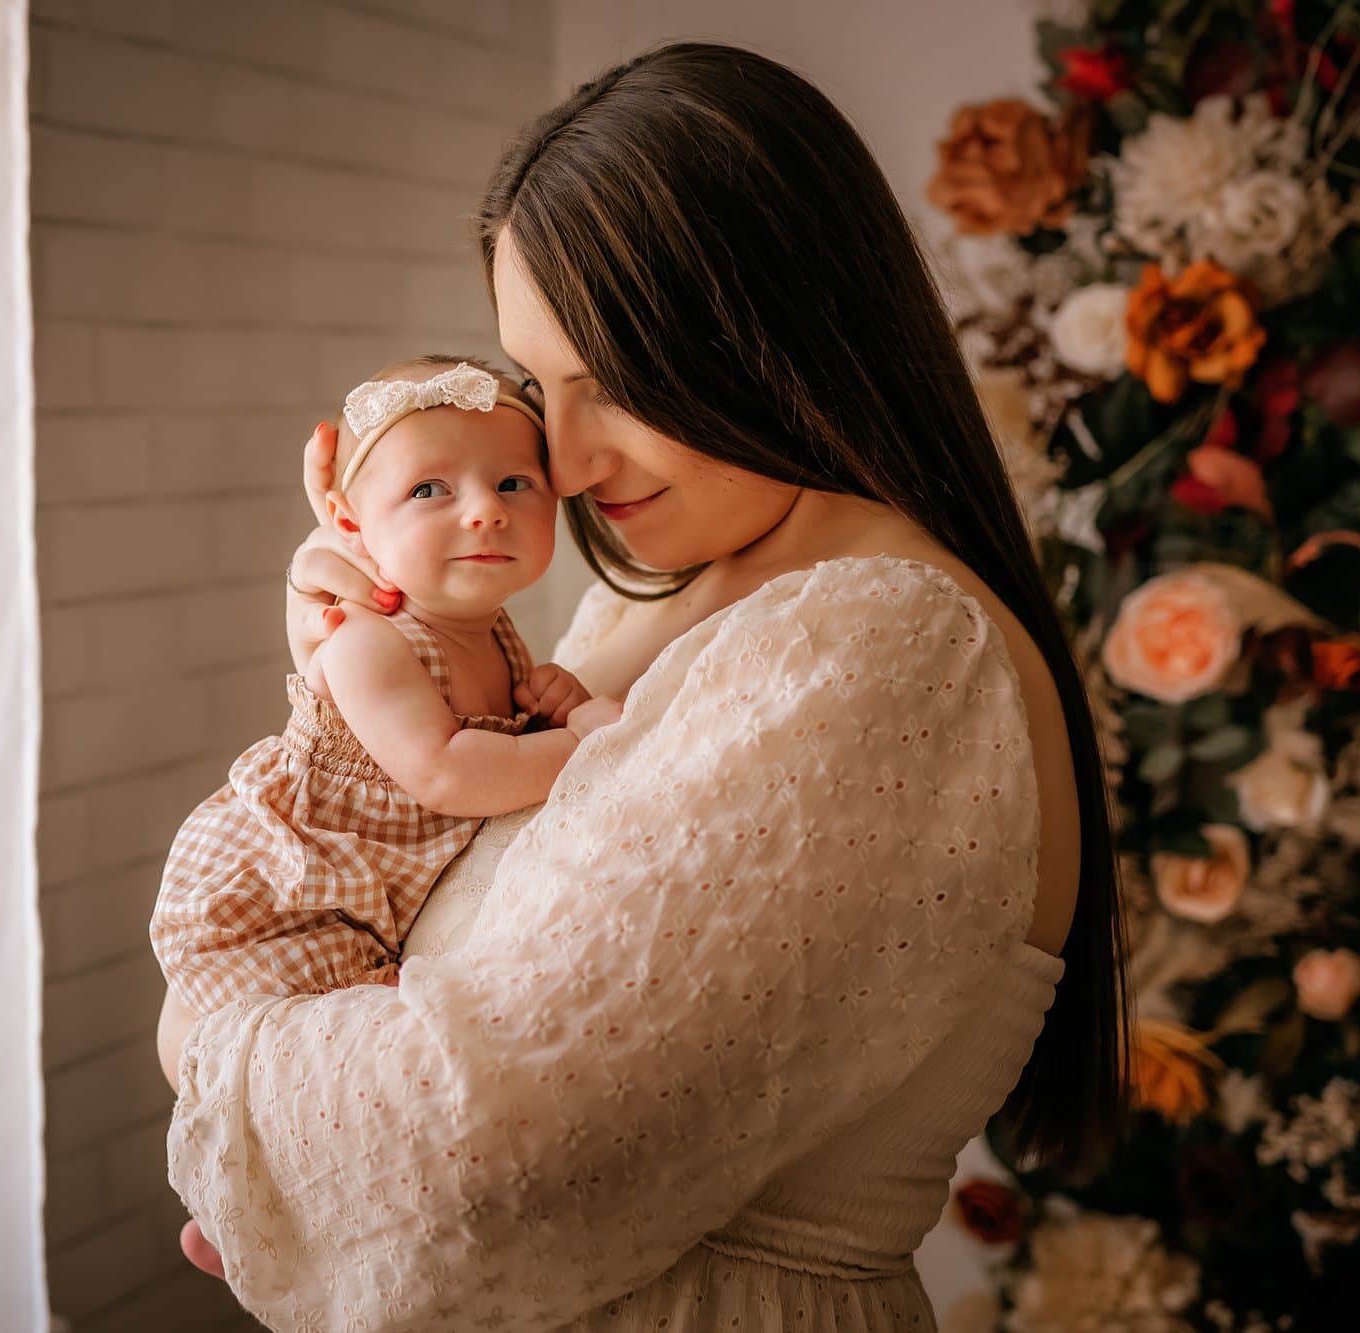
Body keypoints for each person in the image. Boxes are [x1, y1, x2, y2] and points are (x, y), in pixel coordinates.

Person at [154, 41, 1129, 1331]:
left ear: (782, 323)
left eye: (609, 379)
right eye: (534, 390)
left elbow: (484, 1157)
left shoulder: (883, 648)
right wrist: (366, 665)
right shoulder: (676, 587)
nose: (555, 462)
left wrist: (206, 1040)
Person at [149, 355, 620, 1274]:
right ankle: (239, 1205)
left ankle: (274, 1210)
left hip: (370, 893)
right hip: (292, 887)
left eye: (514, 482)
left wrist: (555, 698)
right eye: (431, 489)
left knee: (363, 1081)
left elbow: (504, 725)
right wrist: (589, 746)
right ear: (356, 528)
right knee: (318, 1071)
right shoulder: (368, 641)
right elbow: (445, 770)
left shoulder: (493, 628)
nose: (483, 508)